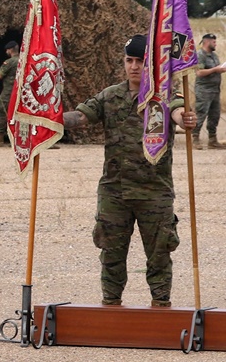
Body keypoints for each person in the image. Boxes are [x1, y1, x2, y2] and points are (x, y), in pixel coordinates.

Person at [62, 34, 195, 307]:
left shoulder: (165, 96)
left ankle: (161, 309)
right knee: (111, 253)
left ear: (151, 64)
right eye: (129, 60)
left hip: (154, 192)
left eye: (141, 61)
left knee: (159, 255)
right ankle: (111, 307)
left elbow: (179, 114)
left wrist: (186, 119)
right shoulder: (111, 96)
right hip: (114, 191)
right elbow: (81, 116)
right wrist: (49, 119)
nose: (134, 66)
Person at [194, 33, 224, 148]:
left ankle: (212, 140)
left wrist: (220, 69)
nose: (215, 44)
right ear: (207, 42)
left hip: (215, 90)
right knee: (201, 113)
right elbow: (199, 72)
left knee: (215, 115)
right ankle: (195, 138)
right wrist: (216, 69)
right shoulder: (200, 55)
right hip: (204, 90)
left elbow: (215, 69)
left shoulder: (214, 55)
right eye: (213, 42)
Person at [0, 39, 20, 145]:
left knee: (1, 112)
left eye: (7, 49)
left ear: (10, 50)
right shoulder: (24, 60)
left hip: (9, 91)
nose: (6, 51)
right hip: (21, 92)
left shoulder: (10, 62)